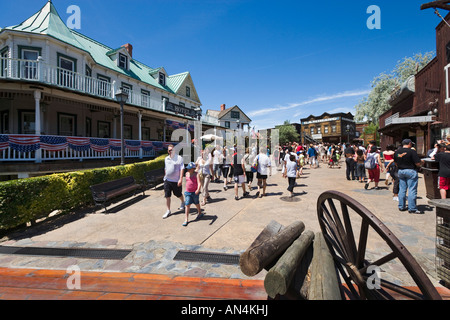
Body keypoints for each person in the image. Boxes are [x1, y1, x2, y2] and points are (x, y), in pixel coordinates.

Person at [394, 139, 424, 214]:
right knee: (412, 189)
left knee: (402, 189)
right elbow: (417, 163)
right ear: (410, 143)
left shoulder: (397, 152)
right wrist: (422, 162)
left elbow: (395, 162)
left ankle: (401, 206)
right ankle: (412, 208)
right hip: (410, 171)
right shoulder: (412, 151)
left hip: (401, 171)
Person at [163, 144, 185, 219]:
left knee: (178, 194)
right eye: (169, 150)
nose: (170, 151)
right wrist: (165, 176)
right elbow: (166, 168)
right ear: (168, 151)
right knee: (167, 195)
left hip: (176, 181)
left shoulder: (179, 158)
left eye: (172, 150)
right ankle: (168, 210)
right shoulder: (166, 159)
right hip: (167, 180)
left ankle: (182, 202)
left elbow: (182, 168)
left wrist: (181, 179)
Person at [182, 162, 203, 227]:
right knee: (187, 205)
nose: (188, 169)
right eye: (188, 168)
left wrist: (198, 189)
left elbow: (199, 183)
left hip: (195, 192)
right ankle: (186, 219)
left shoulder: (196, 174)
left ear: (193, 169)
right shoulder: (186, 174)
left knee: (196, 203)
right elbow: (187, 182)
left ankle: (199, 213)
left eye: (190, 168)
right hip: (188, 192)